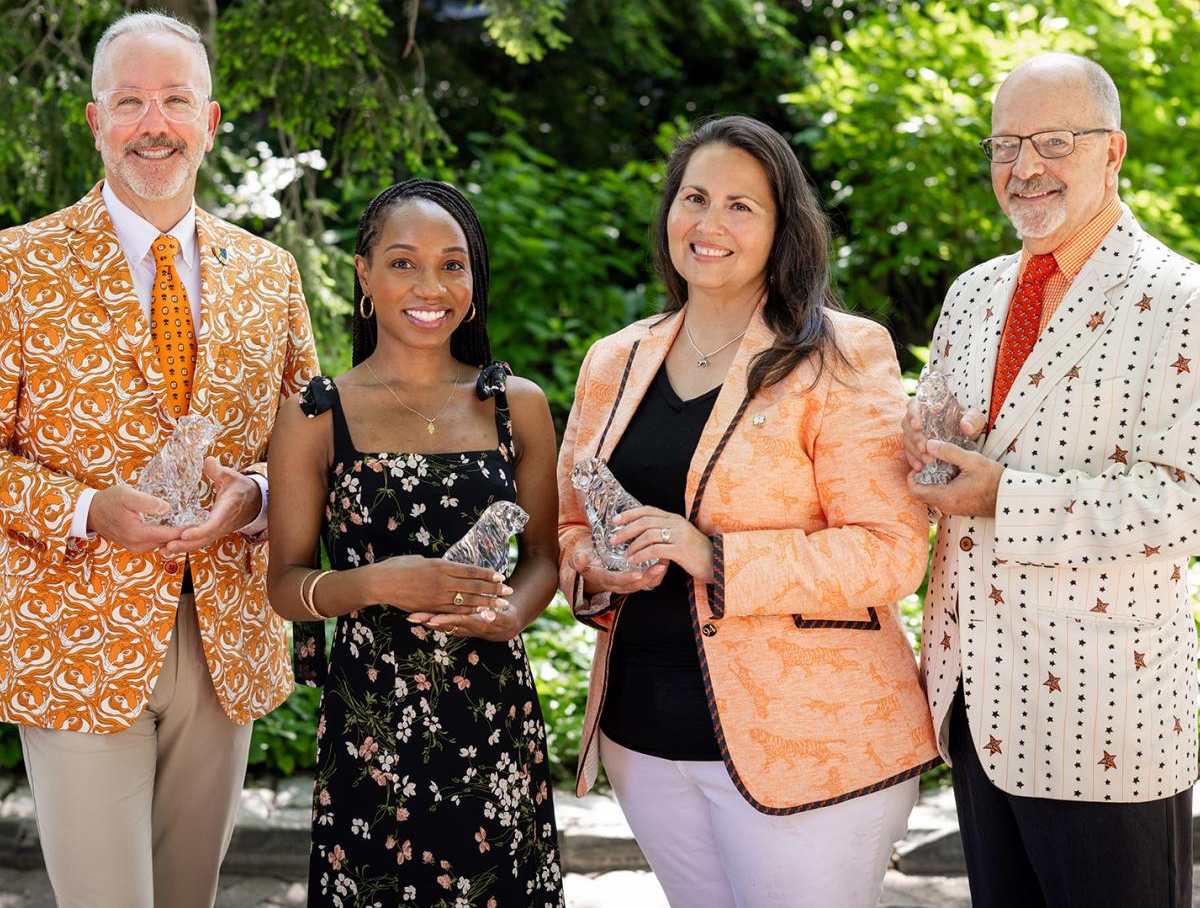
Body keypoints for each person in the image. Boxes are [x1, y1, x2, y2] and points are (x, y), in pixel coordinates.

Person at [556, 115, 938, 908]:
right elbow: (569, 521)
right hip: (644, 736)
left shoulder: (843, 353)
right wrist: (591, 568)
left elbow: (890, 551)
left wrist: (714, 554)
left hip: (814, 740)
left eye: (741, 205)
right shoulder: (613, 359)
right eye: (695, 197)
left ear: (780, 228)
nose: (709, 222)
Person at [0, 12, 318, 908]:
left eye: (175, 99)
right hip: (77, 636)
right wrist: (87, 508)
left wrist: (254, 496)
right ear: (94, 120)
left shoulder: (271, 272)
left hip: (226, 641)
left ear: (210, 122)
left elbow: (309, 447)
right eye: (130, 100)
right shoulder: (16, 267)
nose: (154, 123)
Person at [906, 52, 1200, 908]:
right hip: (975, 701)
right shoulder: (972, 293)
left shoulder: (1182, 298)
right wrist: (921, 449)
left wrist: (1003, 493)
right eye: (1005, 145)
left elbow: (1186, 504)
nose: (1024, 167)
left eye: (1054, 142)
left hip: (1109, 712)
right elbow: (934, 445)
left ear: (1112, 152)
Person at [266, 178, 564, 908]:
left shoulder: (513, 405)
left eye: (452, 264)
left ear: (472, 278)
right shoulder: (314, 414)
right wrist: (375, 583)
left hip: (493, 720)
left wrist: (512, 615)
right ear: (365, 275)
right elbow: (285, 582)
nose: (430, 284)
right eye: (403, 262)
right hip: (373, 727)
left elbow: (546, 558)